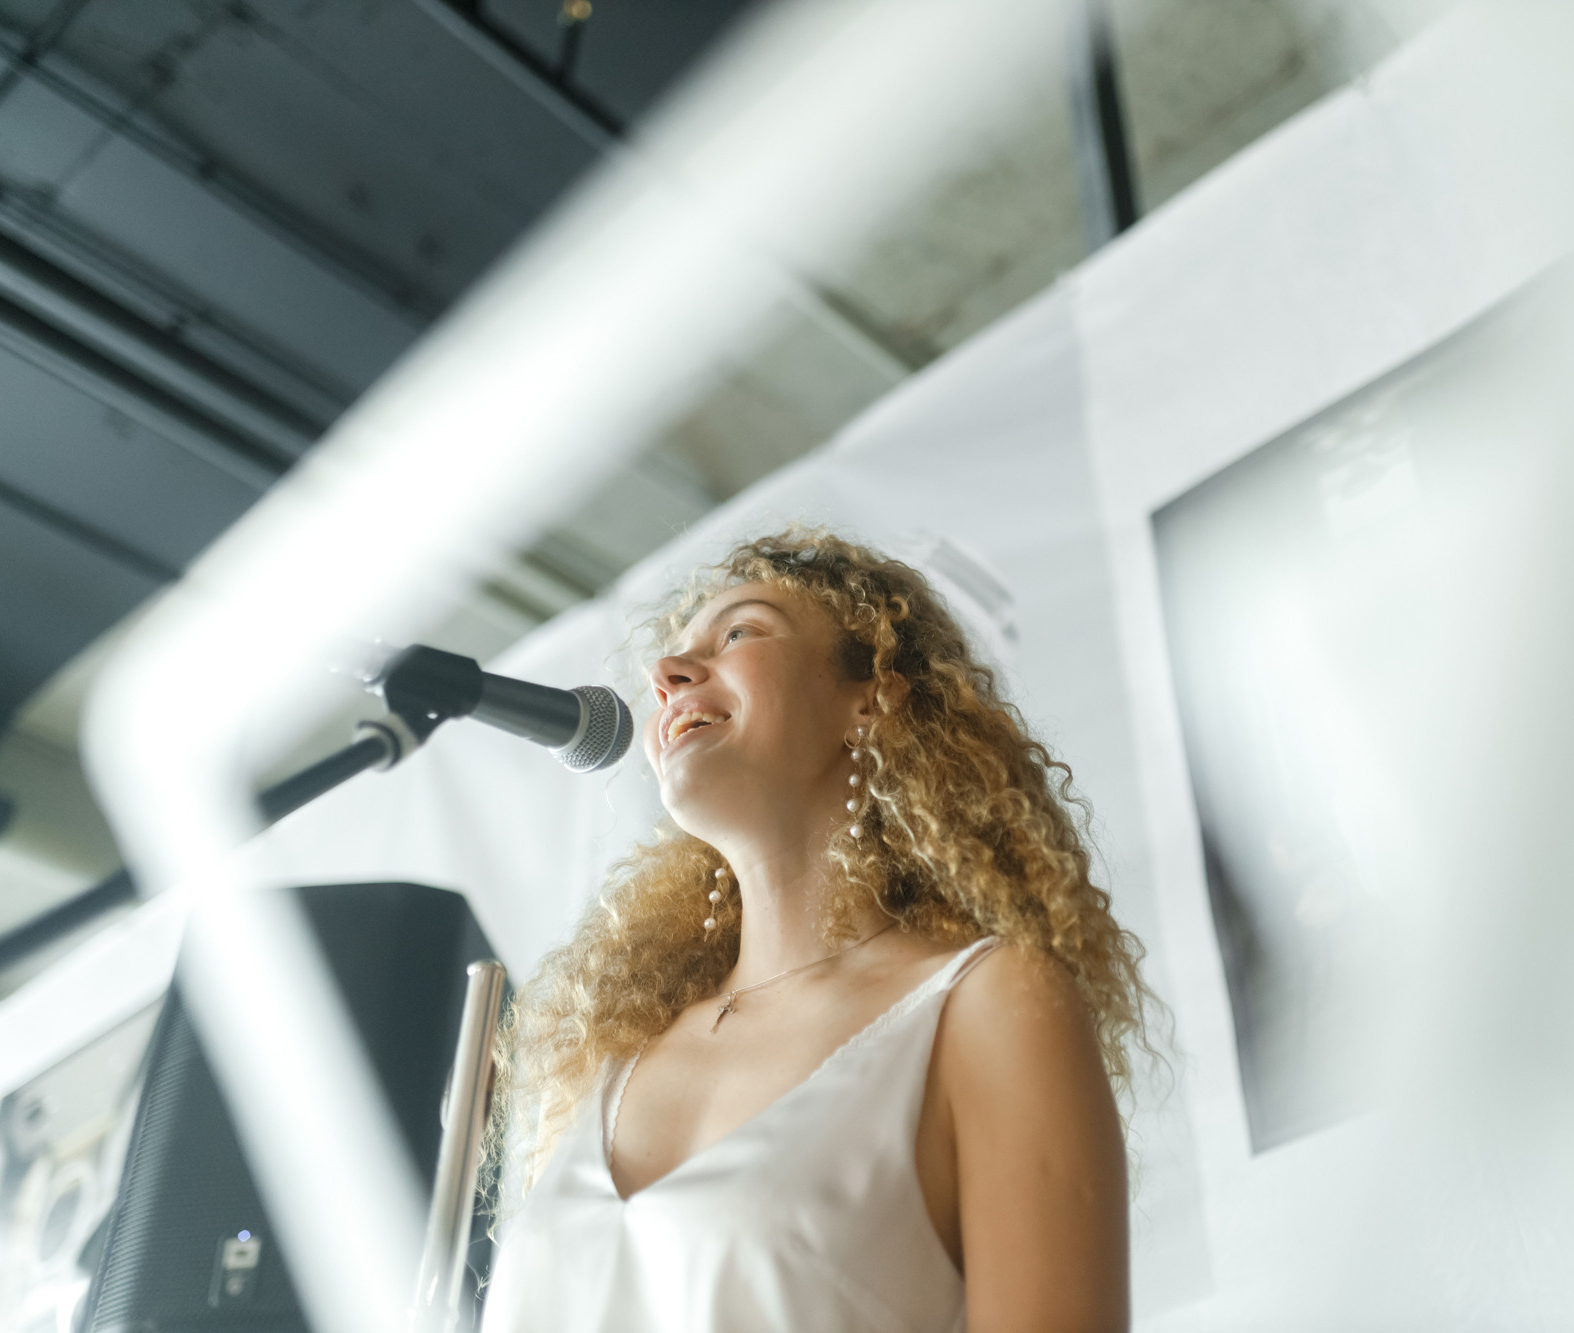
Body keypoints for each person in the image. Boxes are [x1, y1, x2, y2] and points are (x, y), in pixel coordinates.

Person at [480, 529, 1152, 1332]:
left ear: (870, 696)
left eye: (739, 632)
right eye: (669, 659)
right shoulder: (607, 1059)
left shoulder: (986, 1001)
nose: (666, 675)